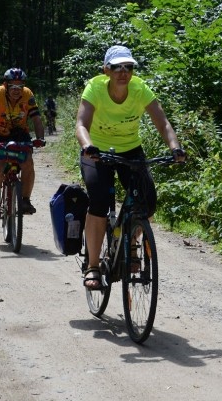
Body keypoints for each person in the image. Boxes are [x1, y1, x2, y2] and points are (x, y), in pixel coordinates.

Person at [76, 45, 186, 290]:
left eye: (129, 67)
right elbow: (81, 124)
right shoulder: (95, 87)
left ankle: (131, 242)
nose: (123, 72)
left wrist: (175, 148)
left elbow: (163, 122)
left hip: (130, 149)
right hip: (97, 151)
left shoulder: (139, 89)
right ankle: (93, 266)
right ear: (106, 70)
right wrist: (88, 146)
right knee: (99, 202)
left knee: (147, 201)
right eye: (117, 67)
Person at [0, 67, 45, 216]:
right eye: (13, 86)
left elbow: (36, 118)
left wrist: (40, 138)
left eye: (20, 86)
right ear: (6, 85)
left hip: (20, 134)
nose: (17, 90)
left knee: (28, 162)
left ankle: (25, 200)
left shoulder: (28, 94)